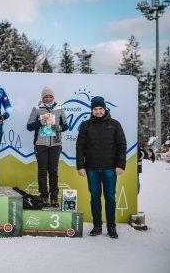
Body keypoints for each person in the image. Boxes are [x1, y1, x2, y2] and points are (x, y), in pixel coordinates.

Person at [76, 96, 127, 239]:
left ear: (105, 109)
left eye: (100, 109)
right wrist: (81, 166)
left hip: (110, 168)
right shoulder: (86, 125)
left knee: (110, 197)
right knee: (95, 197)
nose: (98, 111)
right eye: (95, 109)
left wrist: (120, 165)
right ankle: (97, 226)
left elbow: (122, 146)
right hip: (91, 168)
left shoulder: (115, 124)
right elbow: (80, 147)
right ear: (91, 110)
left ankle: (111, 227)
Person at [26, 86, 68, 207]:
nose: (48, 99)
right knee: (42, 171)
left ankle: (54, 197)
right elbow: (29, 126)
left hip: (55, 144)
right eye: (46, 97)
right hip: (41, 145)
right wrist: (40, 122)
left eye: (50, 96)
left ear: (53, 97)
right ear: (42, 98)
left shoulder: (59, 108)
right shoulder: (36, 108)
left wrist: (58, 128)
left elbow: (65, 125)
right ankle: (44, 197)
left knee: (53, 171)